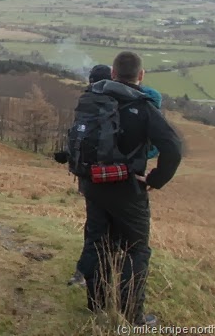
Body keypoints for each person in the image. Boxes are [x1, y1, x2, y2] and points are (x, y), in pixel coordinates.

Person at [78, 51, 182, 327]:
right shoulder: (145, 107)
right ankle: (132, 314)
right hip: (127, 187)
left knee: (99, 242)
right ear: (141, 75)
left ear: (112, 73)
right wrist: (154, 180)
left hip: (93, 184)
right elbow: (172, 148)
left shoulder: (93, 98)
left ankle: (97, 304)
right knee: (137, 249)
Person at [60, 65, 164, 288]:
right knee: (130, 242)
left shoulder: (94, 103)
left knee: (96, 231)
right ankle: (120, 295)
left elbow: (83, 141)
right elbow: (159, 145)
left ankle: (90, 282)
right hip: (124, 180)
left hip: (92, 179)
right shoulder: (141, 100)